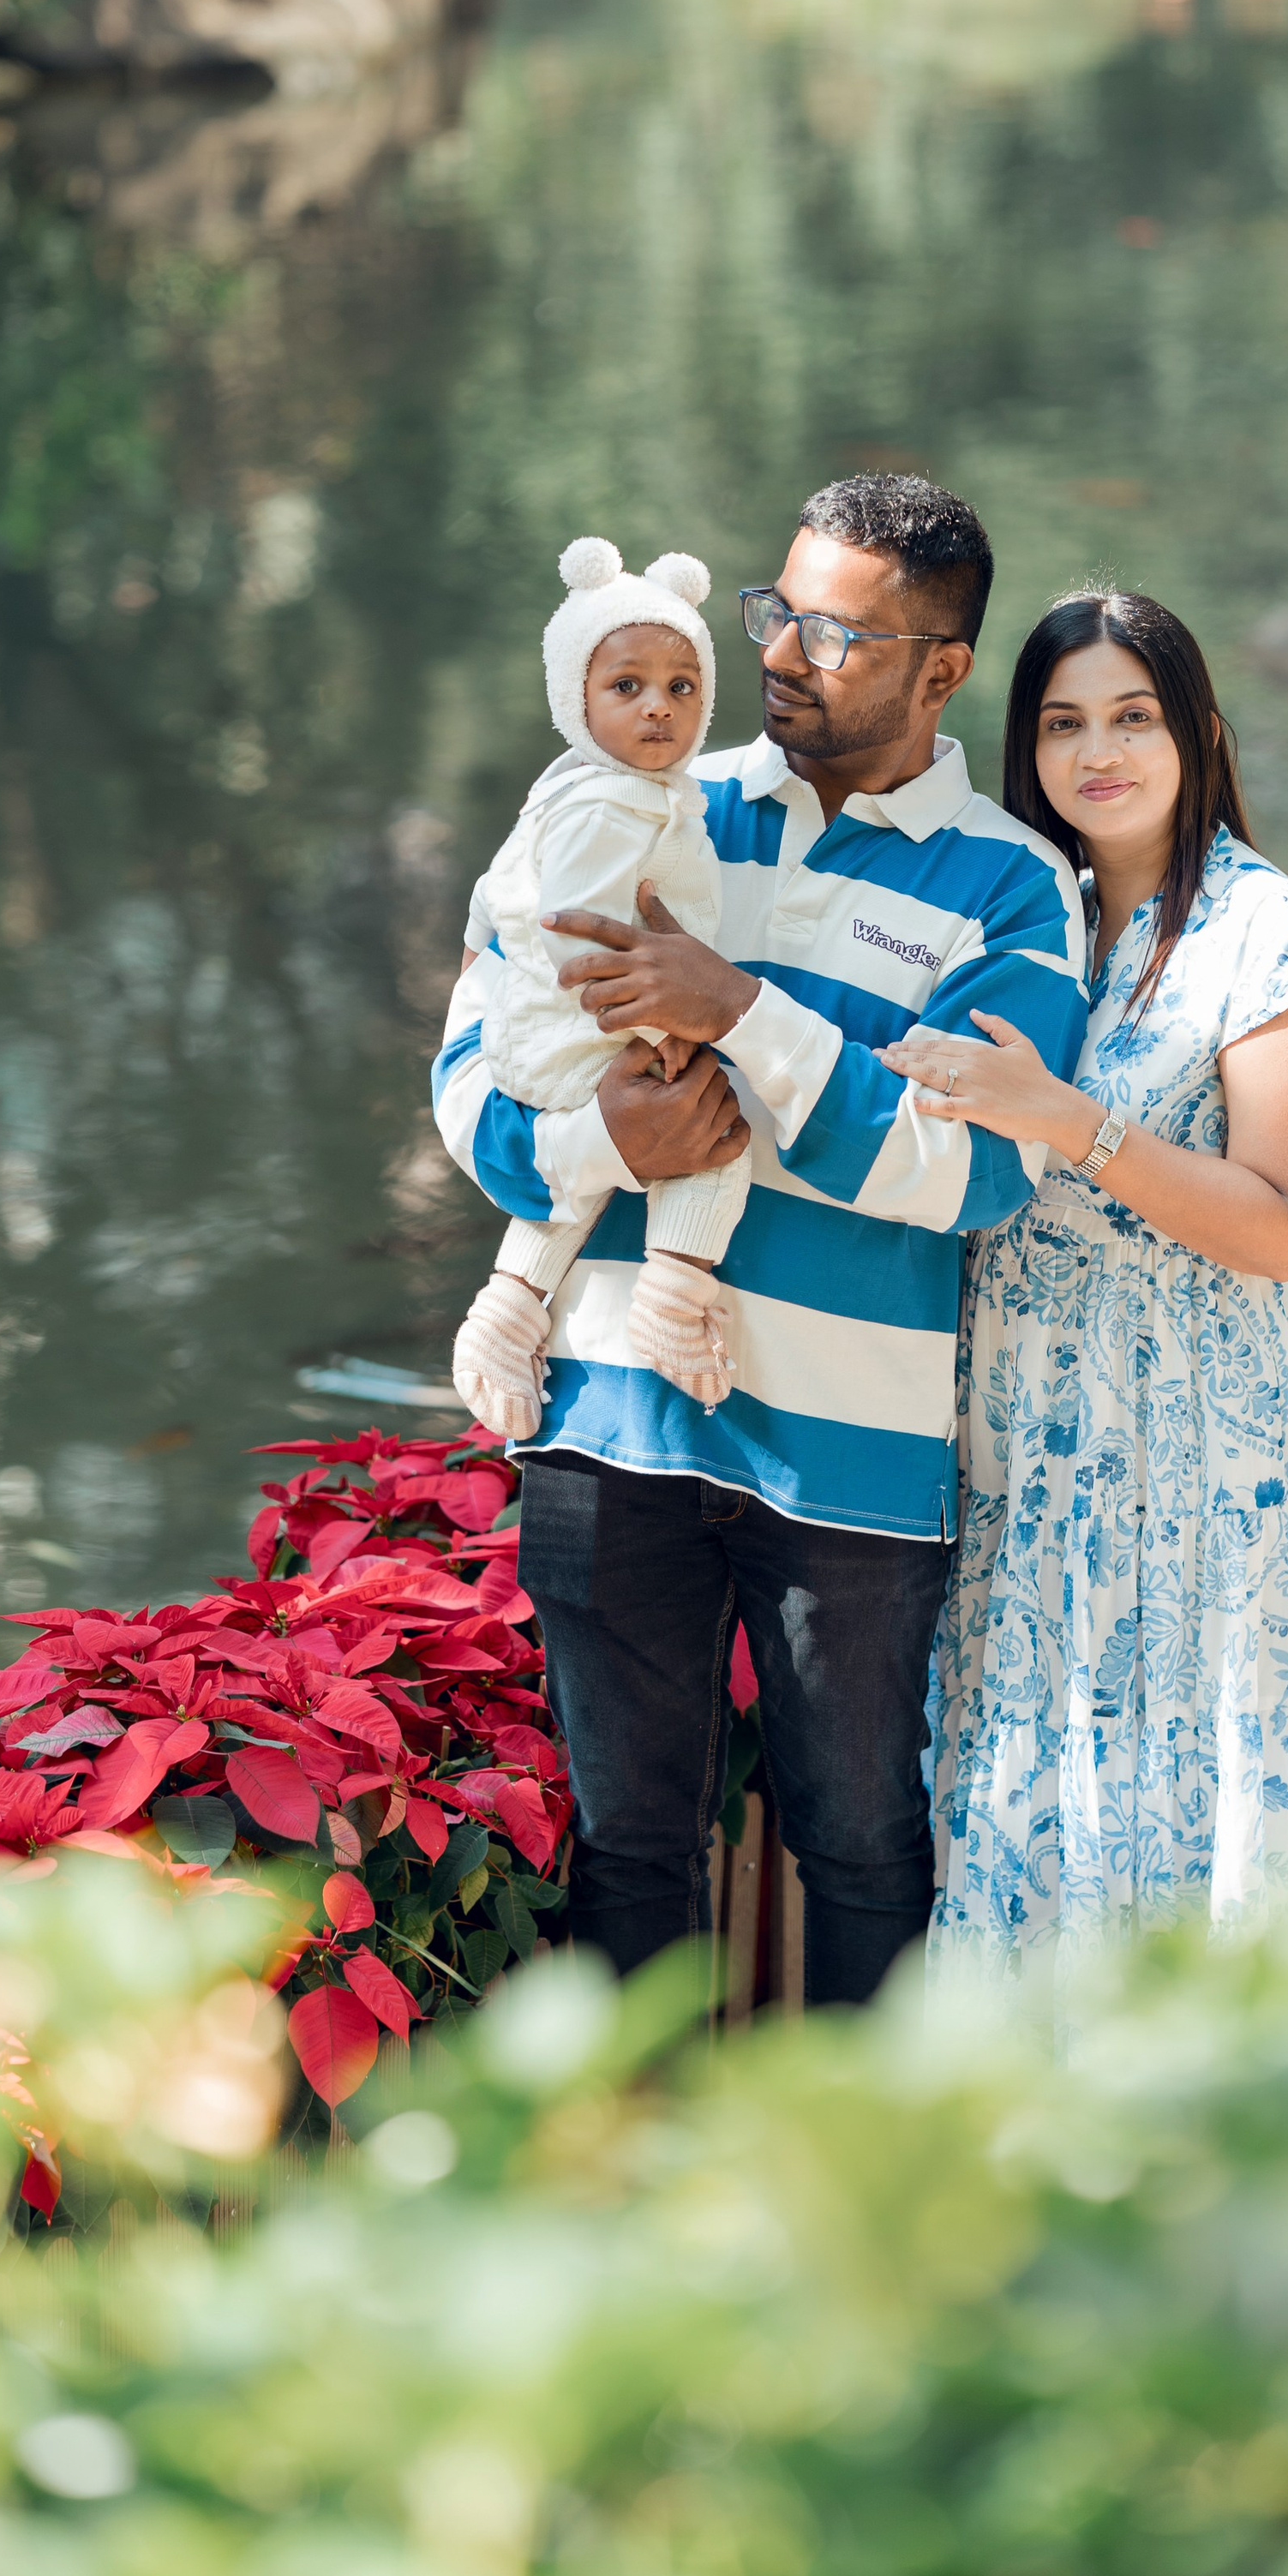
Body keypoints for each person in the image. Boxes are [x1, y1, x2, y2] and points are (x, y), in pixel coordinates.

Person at [431, 476, 1088, 2005]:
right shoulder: (641, 789)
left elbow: (979, 1173)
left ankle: (853, 2164)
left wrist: (740, 1011)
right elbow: (472, 1069)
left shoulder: (1011, 887)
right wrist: (604, 1147)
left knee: (860, 1848)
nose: (781, 655)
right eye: (775, 613)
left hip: (849, 1458)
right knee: (624, 1849)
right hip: (609, 1416)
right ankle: (633, 2156)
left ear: (943, 670)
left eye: (834, 635)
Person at [881, 587, 1288, 2006]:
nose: (1098, 753)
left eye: (1133, 718)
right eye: (1063, 725)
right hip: (1034, 1437)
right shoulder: (1012, 914)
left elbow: (1285, 1223)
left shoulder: (1265, 931)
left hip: (1213, 1435)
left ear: (1200, 736)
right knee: (1032, 1762)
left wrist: (1071, 1122)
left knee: (1210, 1763)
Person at [450, 536, 755, 1441]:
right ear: (574, 699)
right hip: (593, 1019)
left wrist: (477, 949)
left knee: (584, 1175)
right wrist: (666, 1026)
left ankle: (509, 1306)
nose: (659, 706)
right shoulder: (612, 801)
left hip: (557, 1028)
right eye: (627, 686)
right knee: (712, 1143)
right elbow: (576, 929)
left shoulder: (594, 789)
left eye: (682, 687)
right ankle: (674, 1296)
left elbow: (501, 897)